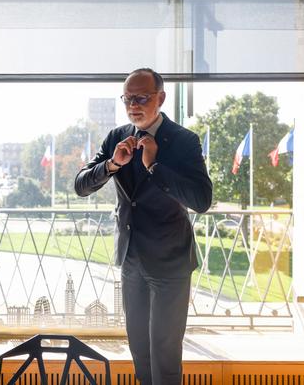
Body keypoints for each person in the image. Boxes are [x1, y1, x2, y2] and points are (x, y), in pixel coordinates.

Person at [74, 68, 212, 385]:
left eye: (141, 98)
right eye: (127, 99)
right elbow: (81, 185)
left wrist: (154, 166)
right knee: (140, 349)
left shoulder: (183, 141)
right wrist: (112, 165)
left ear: (160, 98)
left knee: (165, 353)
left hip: (170, 260)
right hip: (130, 259)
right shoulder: (115, 137)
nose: (133, 105)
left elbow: (201, 200)